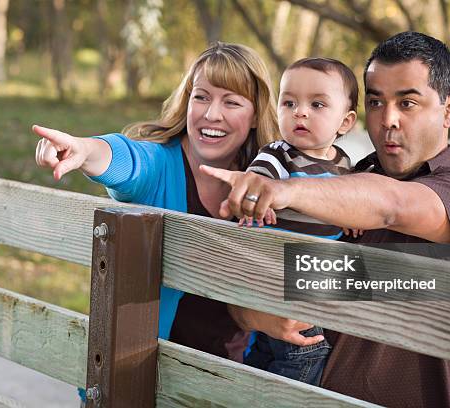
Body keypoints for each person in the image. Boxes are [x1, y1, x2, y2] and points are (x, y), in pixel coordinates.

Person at [202, 31, 450, 407]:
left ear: (448, 110)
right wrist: (254, 315)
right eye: (376, 101)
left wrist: (284, 190)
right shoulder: (345, 176)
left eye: (408, 103)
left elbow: (392, 205)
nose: (388, 119)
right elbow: (258, 286)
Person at [33, 42, 296, 361]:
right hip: (139, 373)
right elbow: (125, 158)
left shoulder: (268, 177)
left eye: (232, 102)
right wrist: (85, 150)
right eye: (201, 97)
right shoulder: (159, 165)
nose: (212, 114)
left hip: (229, 378)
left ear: (255, 115)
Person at [242, 57, 358, 386]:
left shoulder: (344, 164)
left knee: (268, 350)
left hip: (314, 277)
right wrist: (255, 202)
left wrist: (349, 216)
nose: (300, 112)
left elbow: (350, 201)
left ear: (345, 122)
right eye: (289, 102)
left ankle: (252, 385)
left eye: (317, 104)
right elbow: (254, 185)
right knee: (306, 350)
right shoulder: (278, 155)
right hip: (282, 275)